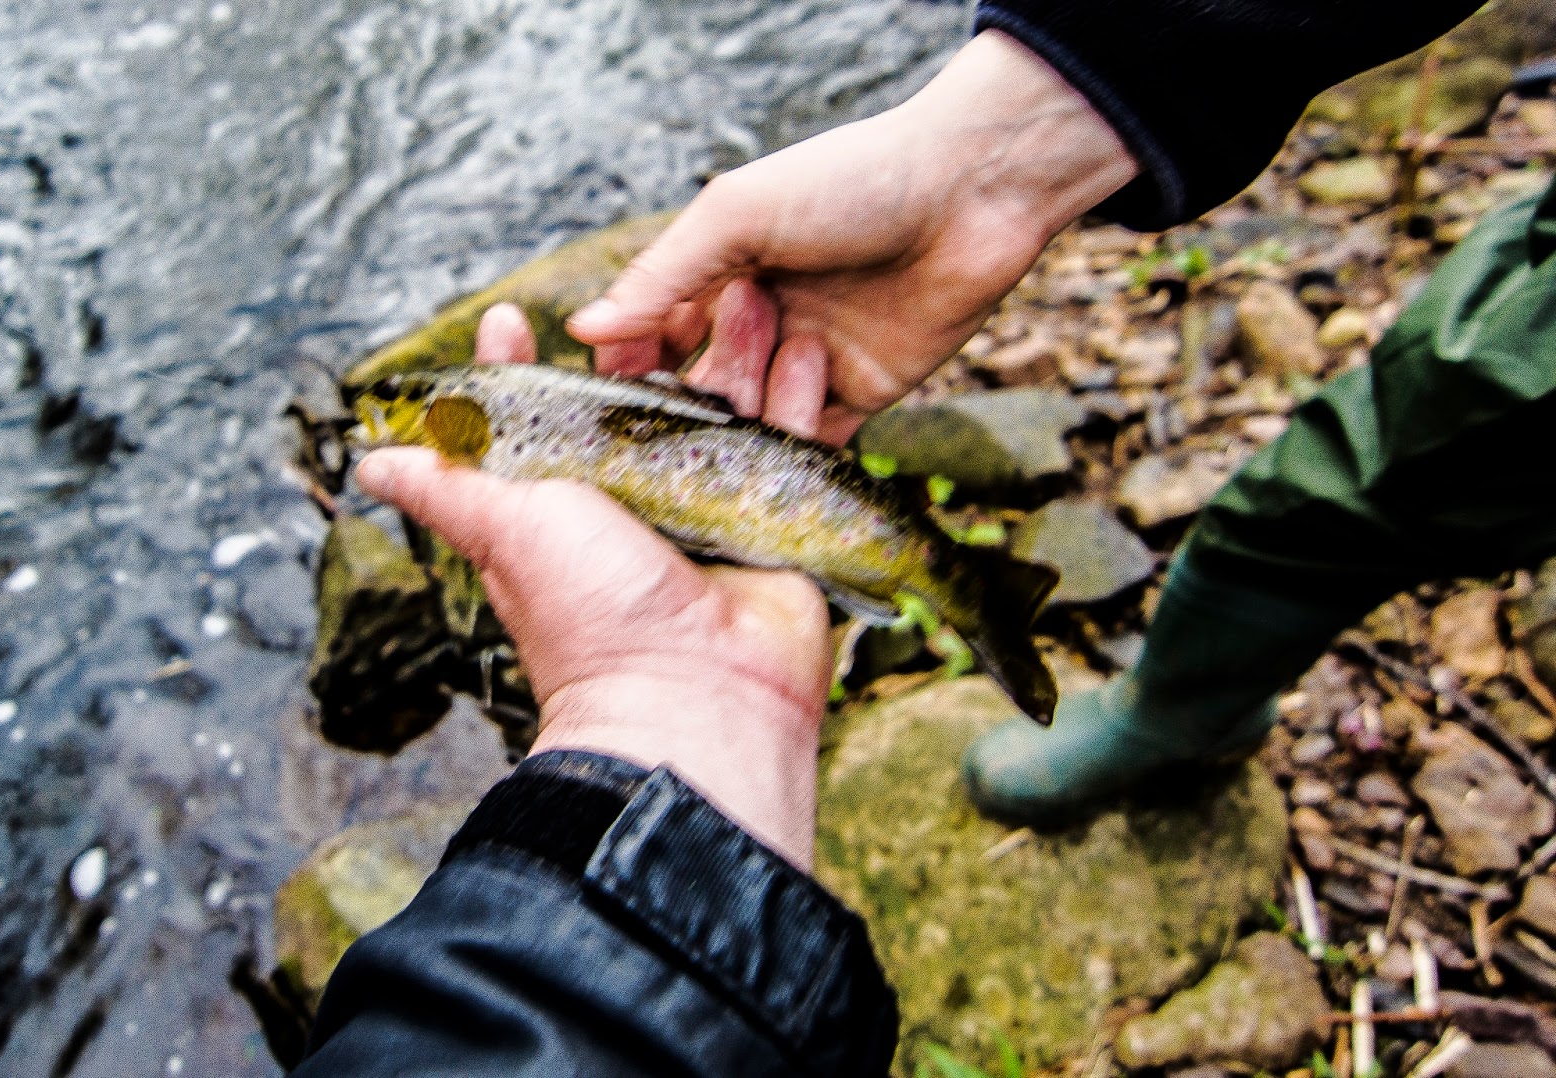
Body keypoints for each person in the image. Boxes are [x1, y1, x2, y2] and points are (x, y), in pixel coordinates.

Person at [294, 0, 1516, 1070]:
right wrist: (1006, 145)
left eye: (394, 413)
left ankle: (1028, 622)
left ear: (431, 419)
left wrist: (1004, 147)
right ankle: (1097, 654)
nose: (389, 426)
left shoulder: (453, 419)